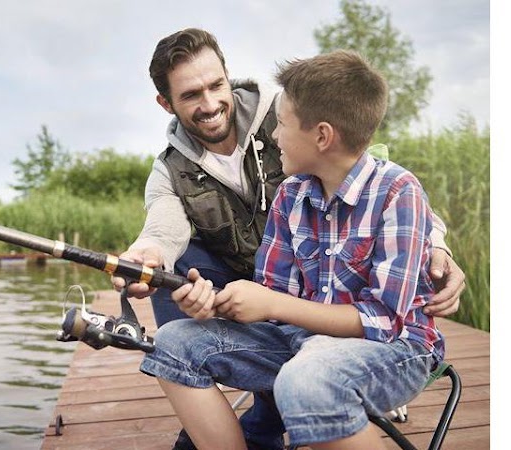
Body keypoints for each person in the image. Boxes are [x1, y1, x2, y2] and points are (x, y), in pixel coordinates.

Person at [112, 28, 464, 449]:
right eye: (191, 95)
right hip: (291, 325)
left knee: (308, 377)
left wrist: (436, 244)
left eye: (216, 85)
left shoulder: (297, 112)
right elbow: (166, 233)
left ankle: (270, 422)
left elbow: (385, 312)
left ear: (320, 135)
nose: (209, 103)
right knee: (171, 341)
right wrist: (208, 300)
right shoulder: (281, 192)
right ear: (166, 103)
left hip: (386, 343)